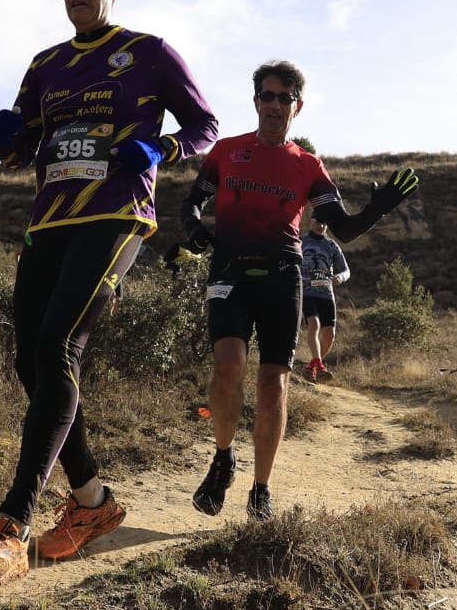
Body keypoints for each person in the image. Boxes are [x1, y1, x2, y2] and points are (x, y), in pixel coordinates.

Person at [0, 0, 219, 590]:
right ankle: (94, 503)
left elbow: (205, 125)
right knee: (29, 360)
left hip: (117, 214)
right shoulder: (45, 64)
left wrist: (159, 148)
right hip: (51, 221)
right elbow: (22, 147)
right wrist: (9, 139)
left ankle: (11, 528)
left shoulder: (149, 53)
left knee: (59, 344)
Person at [179, 61, 418, 521]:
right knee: (228, 365)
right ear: (255, 102)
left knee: (274, 385)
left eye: (283, 98)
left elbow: (344, 229)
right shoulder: (226, 152)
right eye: (265, 96)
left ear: (297, 106)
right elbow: (191, 202)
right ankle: (224, 456)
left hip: (282, 277)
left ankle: (261, 489)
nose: (273, 105)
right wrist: (192, 229)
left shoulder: (308, 166)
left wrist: (379, 208)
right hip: (229, 270)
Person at [299, 213, 351, 382]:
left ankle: (311, 367)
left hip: (326, 293)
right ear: (311, 221)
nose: (321, 226)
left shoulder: (331, 245)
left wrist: (340, 277)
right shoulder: (301, 241)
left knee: (329, 335)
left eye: (324, 223)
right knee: (314, 324)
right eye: (318, 222)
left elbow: (346, 270)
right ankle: (320, 367)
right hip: (306, 291)